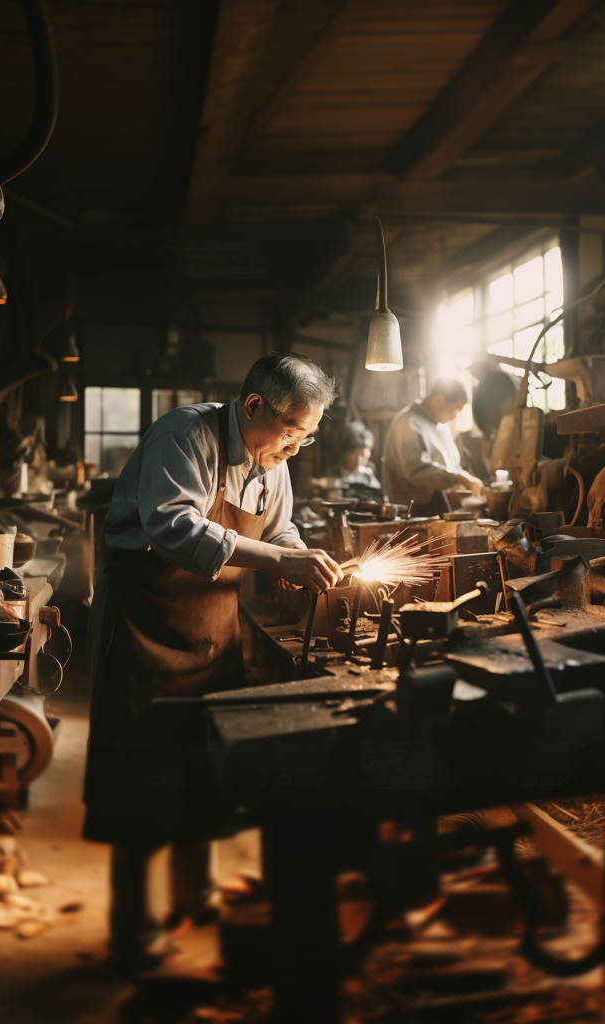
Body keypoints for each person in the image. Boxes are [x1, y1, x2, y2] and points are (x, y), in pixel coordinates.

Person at [84, 353, 344, 971]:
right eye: (290, 432)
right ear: (253, 405)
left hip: (212, 622)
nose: (296, 449)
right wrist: (277, 562)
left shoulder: (270, 460)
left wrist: (300, 557)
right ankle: (130, 928)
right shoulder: (185, 435)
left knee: (201, 764)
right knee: (141, 774)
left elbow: (279, 533)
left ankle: (192, 895)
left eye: (307, 438)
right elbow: (171, 526)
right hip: (148, 616)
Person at [382, 379, 483, 514]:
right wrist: (458, 478)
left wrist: (459, 483)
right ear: (439, 400)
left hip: (439, 508)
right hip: (413, 511)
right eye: (454, 410)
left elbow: (453, 467)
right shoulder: (409, 421)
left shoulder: (442, 428)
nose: (454, 417)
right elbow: (416, 471)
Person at [329, 421, 382, 495]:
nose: (358, 460)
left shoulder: (368, 474)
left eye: (362, 454)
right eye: (353, 453)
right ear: (343, 452)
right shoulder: (331, 475)